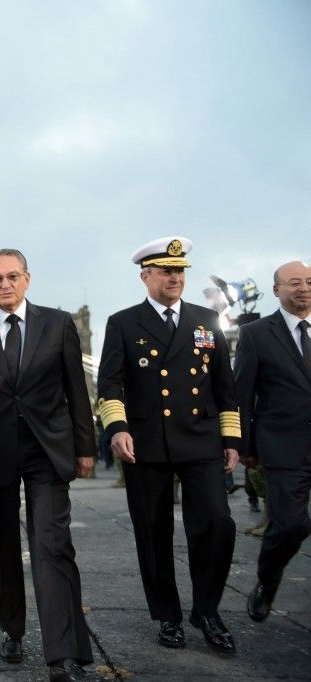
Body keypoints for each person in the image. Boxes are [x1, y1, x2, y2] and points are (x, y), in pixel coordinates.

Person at [0, 248, 94, 682]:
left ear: (27, 278)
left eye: (12, 276)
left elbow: (75, 388)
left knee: (52, 544)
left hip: (47, 450)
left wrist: (84, 446)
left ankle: (65, 655)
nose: (5, 285)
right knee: (0, 543)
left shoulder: (58, 323)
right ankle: (12, 626)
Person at [97, 236, 240, 656]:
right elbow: (110, 383)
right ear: (146, 276)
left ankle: (207, 610)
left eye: (179, 271)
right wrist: (117, 428)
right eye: (166, 271)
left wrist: (231, 438)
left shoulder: (205, 320)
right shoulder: (123, 322)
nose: (175, 277)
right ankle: (168, 616)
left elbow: (224, 386)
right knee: (152, 531)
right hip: (146, 443)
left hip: (200, 438)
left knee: (217, 523)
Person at [234, 260, 311, 623]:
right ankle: (267, 580)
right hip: (284, 447)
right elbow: (242, 395)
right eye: (294, 282)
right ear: (277, 289)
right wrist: (245, 447)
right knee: (291, 524)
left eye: (309, 281)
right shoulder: (258, 334)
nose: (303, 288)